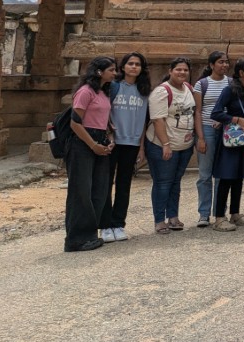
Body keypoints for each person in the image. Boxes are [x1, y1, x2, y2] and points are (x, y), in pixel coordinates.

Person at [65, 56, 117, 252]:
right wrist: (93, 145)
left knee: (100, 189)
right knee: (81, 192)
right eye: (111, 69)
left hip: (100, 140)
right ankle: (75, 239)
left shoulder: (104, 92)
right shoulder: (85, 92)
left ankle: (89, 234)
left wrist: (109, 139)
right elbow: (75, 122)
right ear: (99, 71)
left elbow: (103, 119)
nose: (114, 73)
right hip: (82, 142)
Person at [99, 51, 150, 243]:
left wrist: (142, 147)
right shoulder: (113, 86)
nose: (134, 67)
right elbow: (103, 114)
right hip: (112, 142)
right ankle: (104, 225)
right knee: (106, 183)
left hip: (132, 142)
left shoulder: (144, 90)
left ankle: (118, 223)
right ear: (123, 66)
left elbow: (144, 121)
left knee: (124, 185)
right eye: (130, 63)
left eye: (137, 64)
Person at [145, 57, 197, 234]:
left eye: (185, 70)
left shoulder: (188, 89)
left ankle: (173, 217)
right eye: (178, 70)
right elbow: (158, 119)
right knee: (163, 183)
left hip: (184, 144)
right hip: (163, 145)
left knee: (175, 182)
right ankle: (159, 220)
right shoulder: (162, 92)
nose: (182, 73)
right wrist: (165, 144)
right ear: (170, 71)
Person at [208, 59, 244, 231]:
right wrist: (237, 119)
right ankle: (219, 218)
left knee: (238, 177)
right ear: (241, 73)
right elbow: (215, 113)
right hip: (231, 141)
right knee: (226, 177)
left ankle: (235, 213)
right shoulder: (229, 90)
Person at [193, 50, 231, 228]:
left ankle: (219, 212)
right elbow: (198, 111)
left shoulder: (231, 83)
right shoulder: (202, 84)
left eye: (226, 62)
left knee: (223, 174)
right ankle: (203, 213)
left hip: (225, 130)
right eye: (220, 62)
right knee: (205, 174)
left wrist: (223, 119)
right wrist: (200, 137)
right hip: (206, 129)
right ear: (211, 65)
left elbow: (232, 108)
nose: (224, 65)